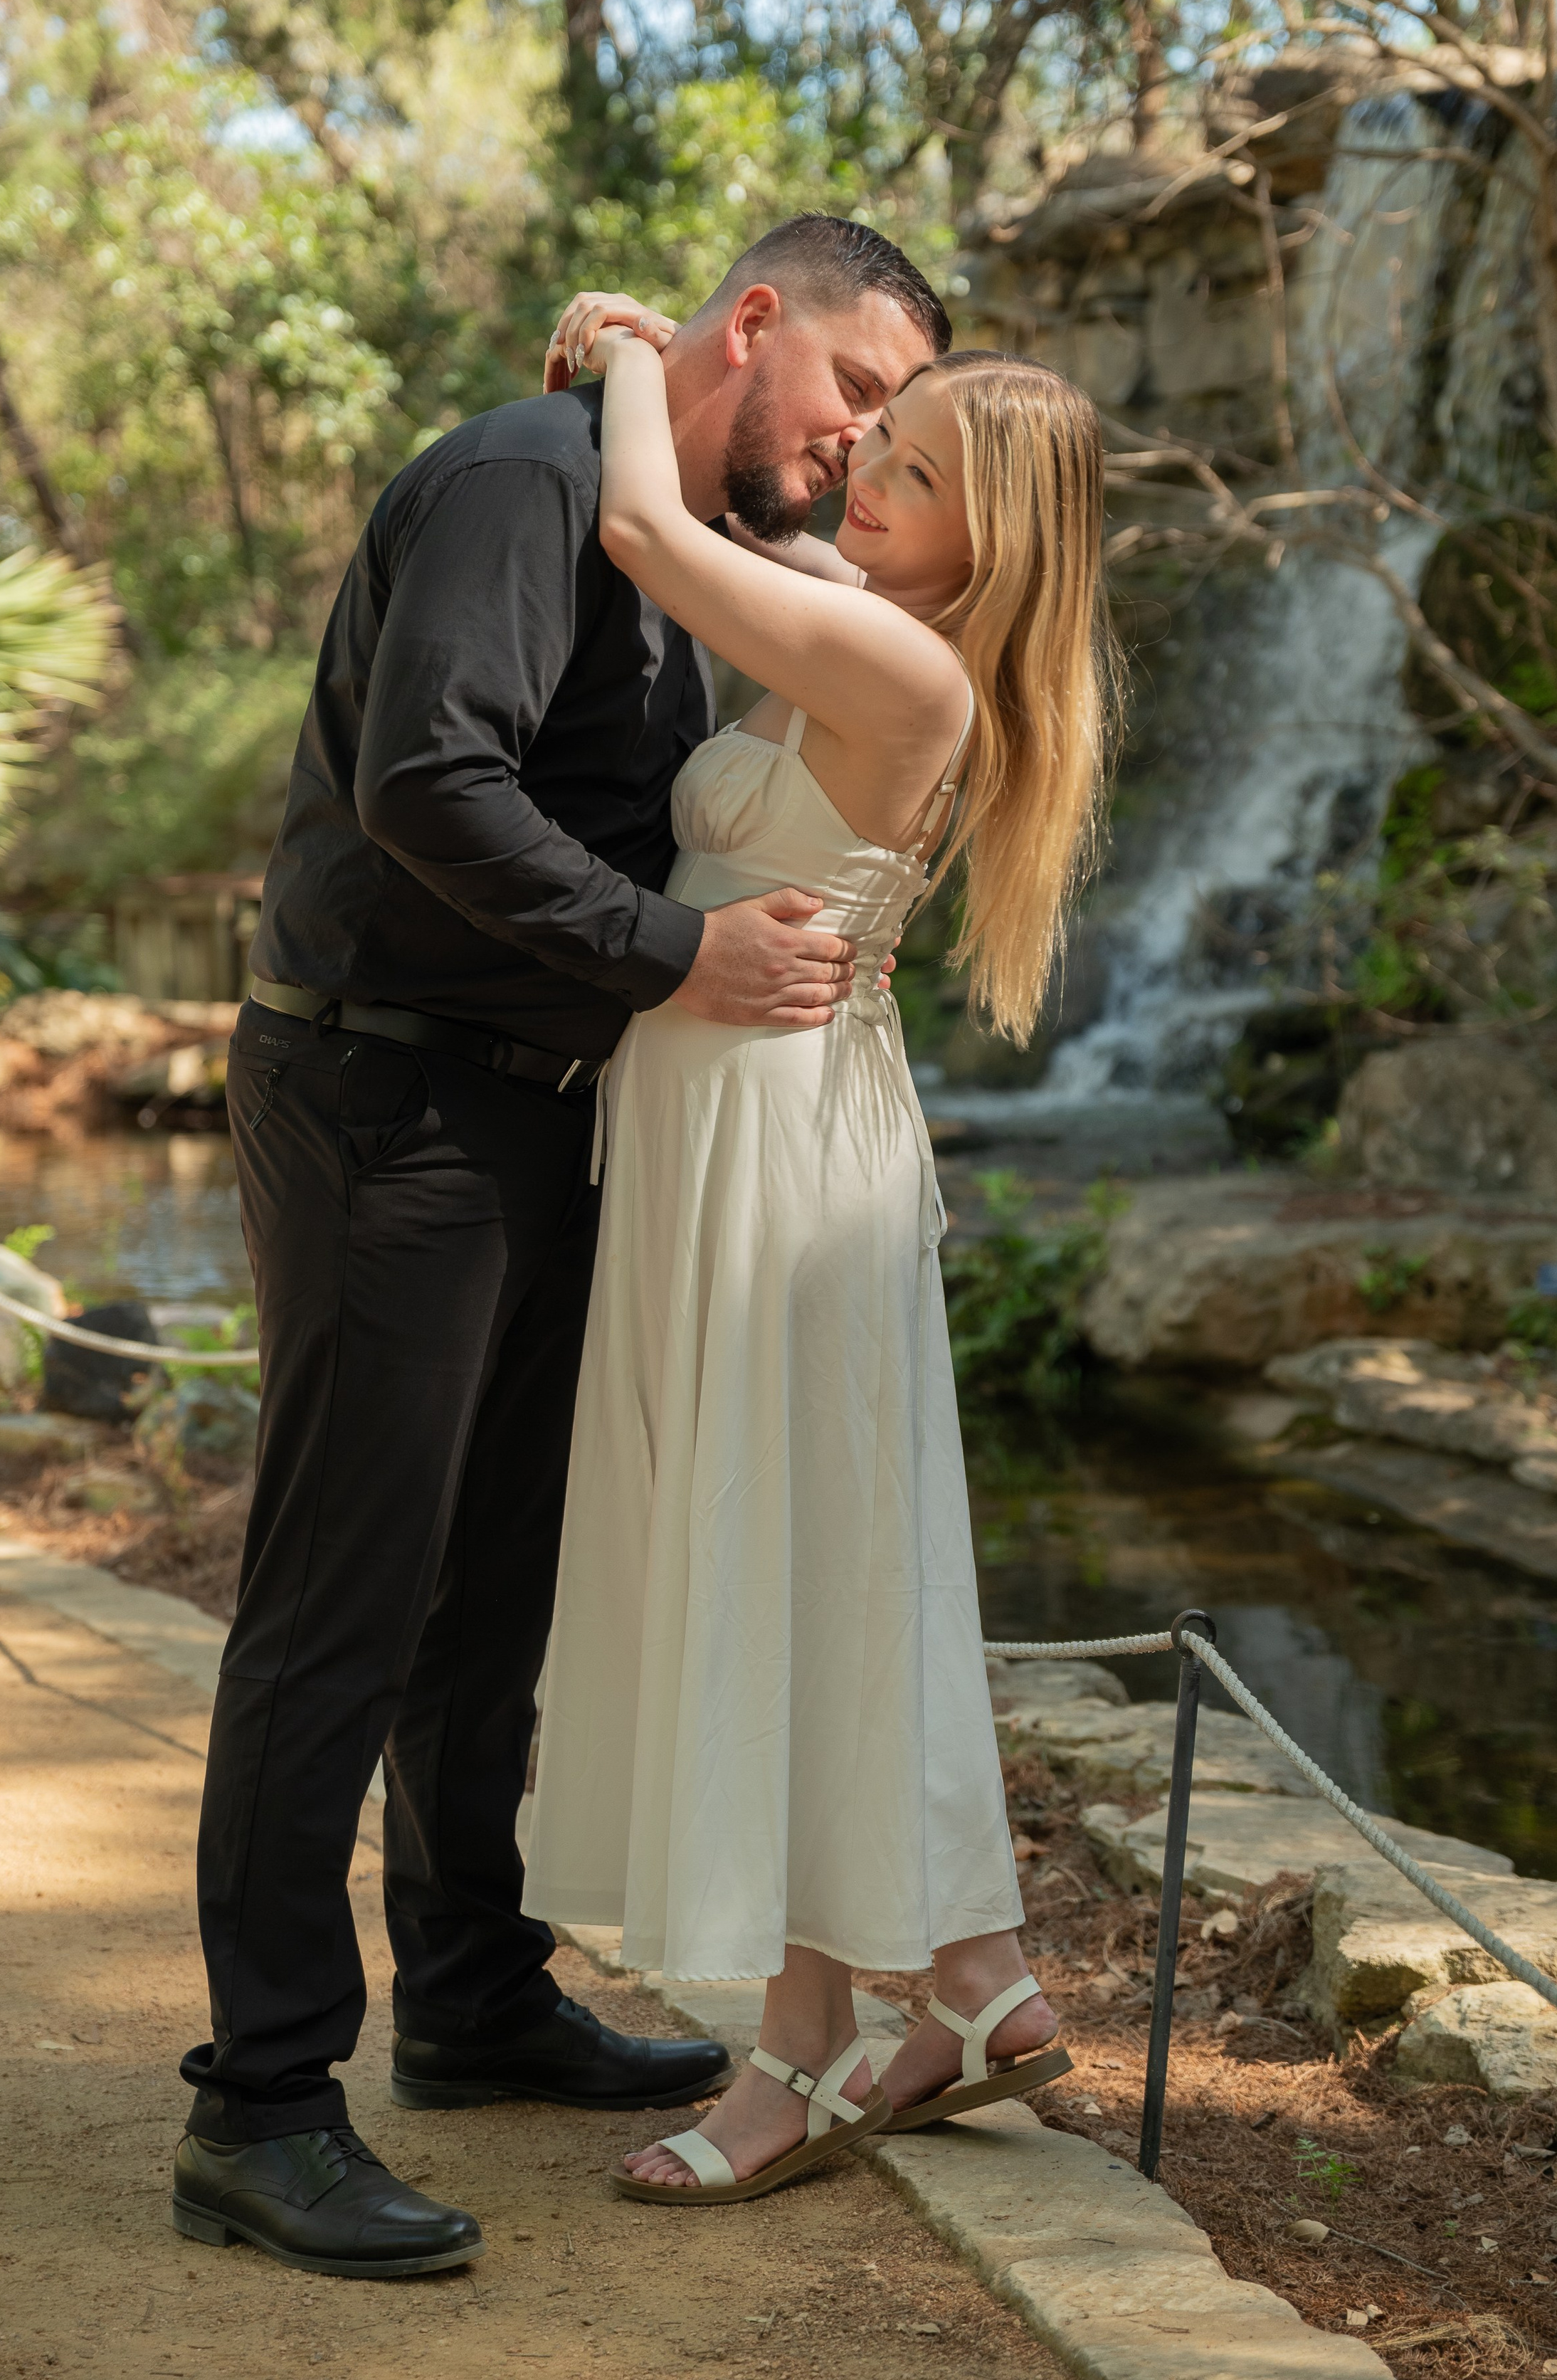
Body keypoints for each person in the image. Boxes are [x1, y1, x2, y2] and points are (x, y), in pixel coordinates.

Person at [171, 218, 953, 2279]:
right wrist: (672, 953)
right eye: (857, 389)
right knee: (339, 1600)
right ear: (755, 321)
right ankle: (257, 2101)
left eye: (898, 422)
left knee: (485, 1596)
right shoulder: (530, 482)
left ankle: (470, 1993)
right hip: (383, 1098)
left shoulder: (663, 519)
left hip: (529, 1104)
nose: (864, 438)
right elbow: (432, 777)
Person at [522, 295, 1119, 2203]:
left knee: (781, 1564)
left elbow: (643, 531)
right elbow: (738, 534)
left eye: (920, 465)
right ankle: (963, 1981)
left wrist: (631, 351)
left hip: (781, 1156)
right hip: (743, 1129)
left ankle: (804, 2054)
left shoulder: (913, 680)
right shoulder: (864, 618)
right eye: (885, 429)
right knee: (802, 1559)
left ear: (993, 540)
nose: (865, 462)